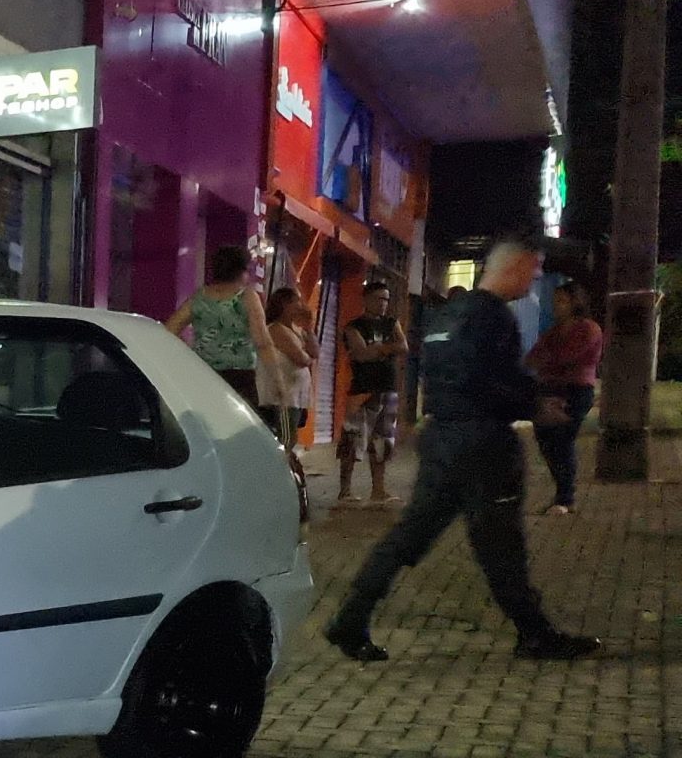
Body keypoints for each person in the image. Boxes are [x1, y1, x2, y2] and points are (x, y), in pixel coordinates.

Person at [322, 240, 598, 663]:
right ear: (516, 265)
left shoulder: (448, 314)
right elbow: (490, 380)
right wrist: (534, 404)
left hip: (444, 439)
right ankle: (535, 635)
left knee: (409, 537)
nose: (537, 277)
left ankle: (349, 620)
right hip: (484, 445)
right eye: (535, 268)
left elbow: (446, 376)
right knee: (501, 545)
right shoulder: (493, 317)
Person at [164, 247, 276, 407]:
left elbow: (170, 329)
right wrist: (276, 377)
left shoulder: (199, 298)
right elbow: (262, 342)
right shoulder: (247, 297)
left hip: (203, 376)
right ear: (242, 271)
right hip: (239, 379)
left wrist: (192, 352)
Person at [526, 281, 603, 514]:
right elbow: (532, 358)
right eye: (555, 301)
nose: (555, 306)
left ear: (575, 302)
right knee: (545, 439)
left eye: (561, 301)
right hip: (549, 389)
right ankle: (562, 493)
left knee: (562, 438)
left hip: (576, 390)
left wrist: (546, 361)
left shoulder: (588, 329)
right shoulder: (553, 331)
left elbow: (566, 357)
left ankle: (566, 497)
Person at [335, 282, 406, 504]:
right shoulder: (354, 326)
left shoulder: (391, 323)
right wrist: (386, 349)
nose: (383, 304)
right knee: (353, 440)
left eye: (386, 299)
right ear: (365, 299)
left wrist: (378, 349)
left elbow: (403, 347)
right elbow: (361, 354)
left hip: (388, 389)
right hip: (363, 392)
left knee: (383, 442)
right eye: (378, 298)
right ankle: (345, 491)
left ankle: (379, 489)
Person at [259, 287, 316, 449]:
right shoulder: (276, 329)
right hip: (282, 398)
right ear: (284, 304)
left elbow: (315, 352)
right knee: (285, 440)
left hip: (296, 397)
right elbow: (302, 359)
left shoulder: (297, 330)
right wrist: (307, 356)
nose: (300, 306)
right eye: (296, 301)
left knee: (290, 437)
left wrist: (309, 328)